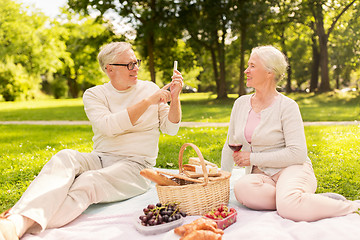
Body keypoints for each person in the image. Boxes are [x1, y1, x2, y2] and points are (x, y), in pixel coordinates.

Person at [0, 41, 184, 239]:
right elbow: (109, 127)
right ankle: (18, 221)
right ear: (110, 69)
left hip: (136, 167)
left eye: (136, 62)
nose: (136, 68)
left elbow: (171, 128)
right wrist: (148, 101)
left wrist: (175, 98)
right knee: (65, 157)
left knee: (88, 181)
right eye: (129, 64)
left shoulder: (150, 88)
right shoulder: (95, 94)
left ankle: (17, 223)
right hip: (100, 158)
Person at [221, 45, 360, 222]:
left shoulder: (287, 107)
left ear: (270, 72)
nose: (246, 70)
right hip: (262, 177)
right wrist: (221, 181)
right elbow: (229, 145)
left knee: (288, 207)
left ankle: (353, 206)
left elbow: (298, 153)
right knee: (242, 189)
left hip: (292, 169)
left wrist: (253, 158)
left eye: (252, 66)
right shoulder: (240, 104)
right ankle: (297, 198)